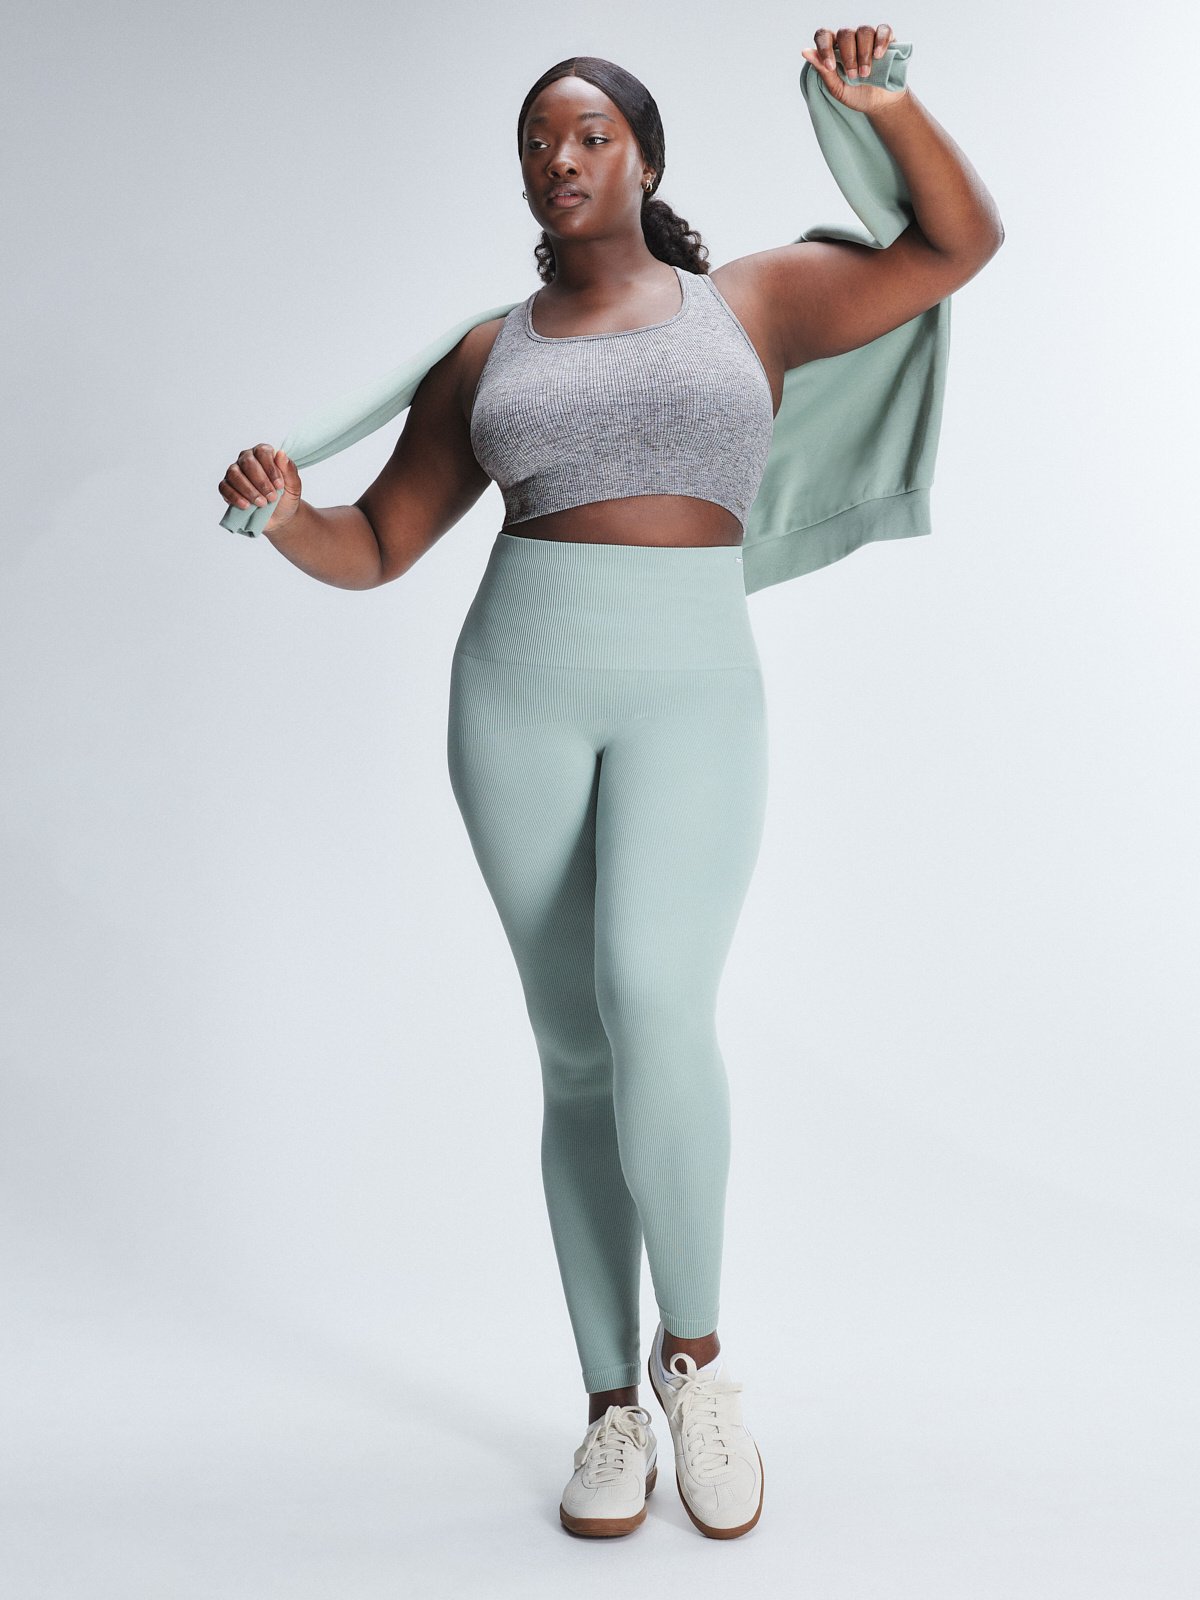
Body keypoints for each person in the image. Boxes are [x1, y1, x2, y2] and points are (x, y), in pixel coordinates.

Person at [217, 26, 1003, 1541]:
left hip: (691, 692)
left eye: (590, 134)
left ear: (645, 158)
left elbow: (954, 245)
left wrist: (887, 107)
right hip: (517, 691)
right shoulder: (486, 353)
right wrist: (288, 513)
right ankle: (607, 1407)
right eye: (537, 141)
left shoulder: (753, 302)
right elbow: (377, 545)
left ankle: (696, 1366)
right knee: (575, 1050)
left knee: (654, 998)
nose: (561, 159)